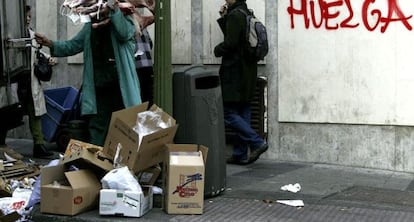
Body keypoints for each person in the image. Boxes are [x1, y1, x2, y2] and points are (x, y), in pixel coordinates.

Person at [35, 0, 142, 146]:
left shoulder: (124, 20)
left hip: (120, 88)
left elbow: (124, 33)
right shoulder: (90, 27)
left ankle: (121, 164)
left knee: (123, 129)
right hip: (99, 88)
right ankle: (96, 164)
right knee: (97, 128)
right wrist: (50, 43)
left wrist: (114, 10)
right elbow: (73, 45)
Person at [214, 0, 268, 165]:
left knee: (228, 113)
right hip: (248, 71)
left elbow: (231, 42)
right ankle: (240, 153)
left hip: (234, 71)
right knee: (243, 109)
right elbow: (238, 37)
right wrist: (224, 17)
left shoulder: (235, 15)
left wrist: (217, 50)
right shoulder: (246, 13)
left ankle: (257, 142)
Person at [0, 5, 54, 160]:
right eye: (26, 16)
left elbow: (36, 51)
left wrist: (46, 58)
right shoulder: (9, 36)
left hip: (30, 83)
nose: (28, 19)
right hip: (15, 83)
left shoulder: (31, 35)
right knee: (7, 114)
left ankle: (39, 145)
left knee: (35, 114)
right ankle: (2, 143)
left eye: (30, 16)